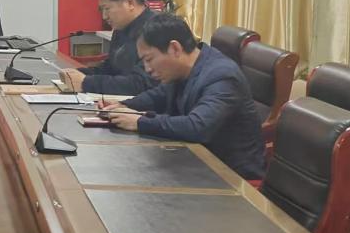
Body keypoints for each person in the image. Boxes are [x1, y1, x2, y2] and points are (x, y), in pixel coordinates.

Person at [102, 13, 266, 180]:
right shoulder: (184, 68)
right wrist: (125, 106)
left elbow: (197, 127)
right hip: (195, 165)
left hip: (232, 178)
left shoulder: (222, 76)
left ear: (175, 49)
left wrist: (139, 122)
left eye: (149, 59)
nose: (147, 69)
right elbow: (159, 95)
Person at [60, 0, 156, 95]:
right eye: (102, 10)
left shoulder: (156, 31)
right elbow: (111, 69)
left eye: (107, 8)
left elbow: (140, 84)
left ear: (130, 3)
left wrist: (86, 82)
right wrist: (78, 74)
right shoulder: (120, 29)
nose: (104, 16)